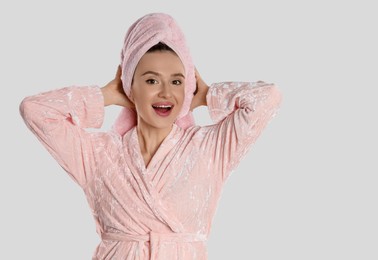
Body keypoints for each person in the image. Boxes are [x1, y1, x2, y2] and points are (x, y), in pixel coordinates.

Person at [20, 12, 282, 260]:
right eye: (151, 81)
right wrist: (104, 96)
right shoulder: (98, 154)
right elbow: (34, 111)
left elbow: (268, 98)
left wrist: (208, 95)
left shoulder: (210, 149)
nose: (166, 93)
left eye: (177, 81)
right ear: (129, 86)